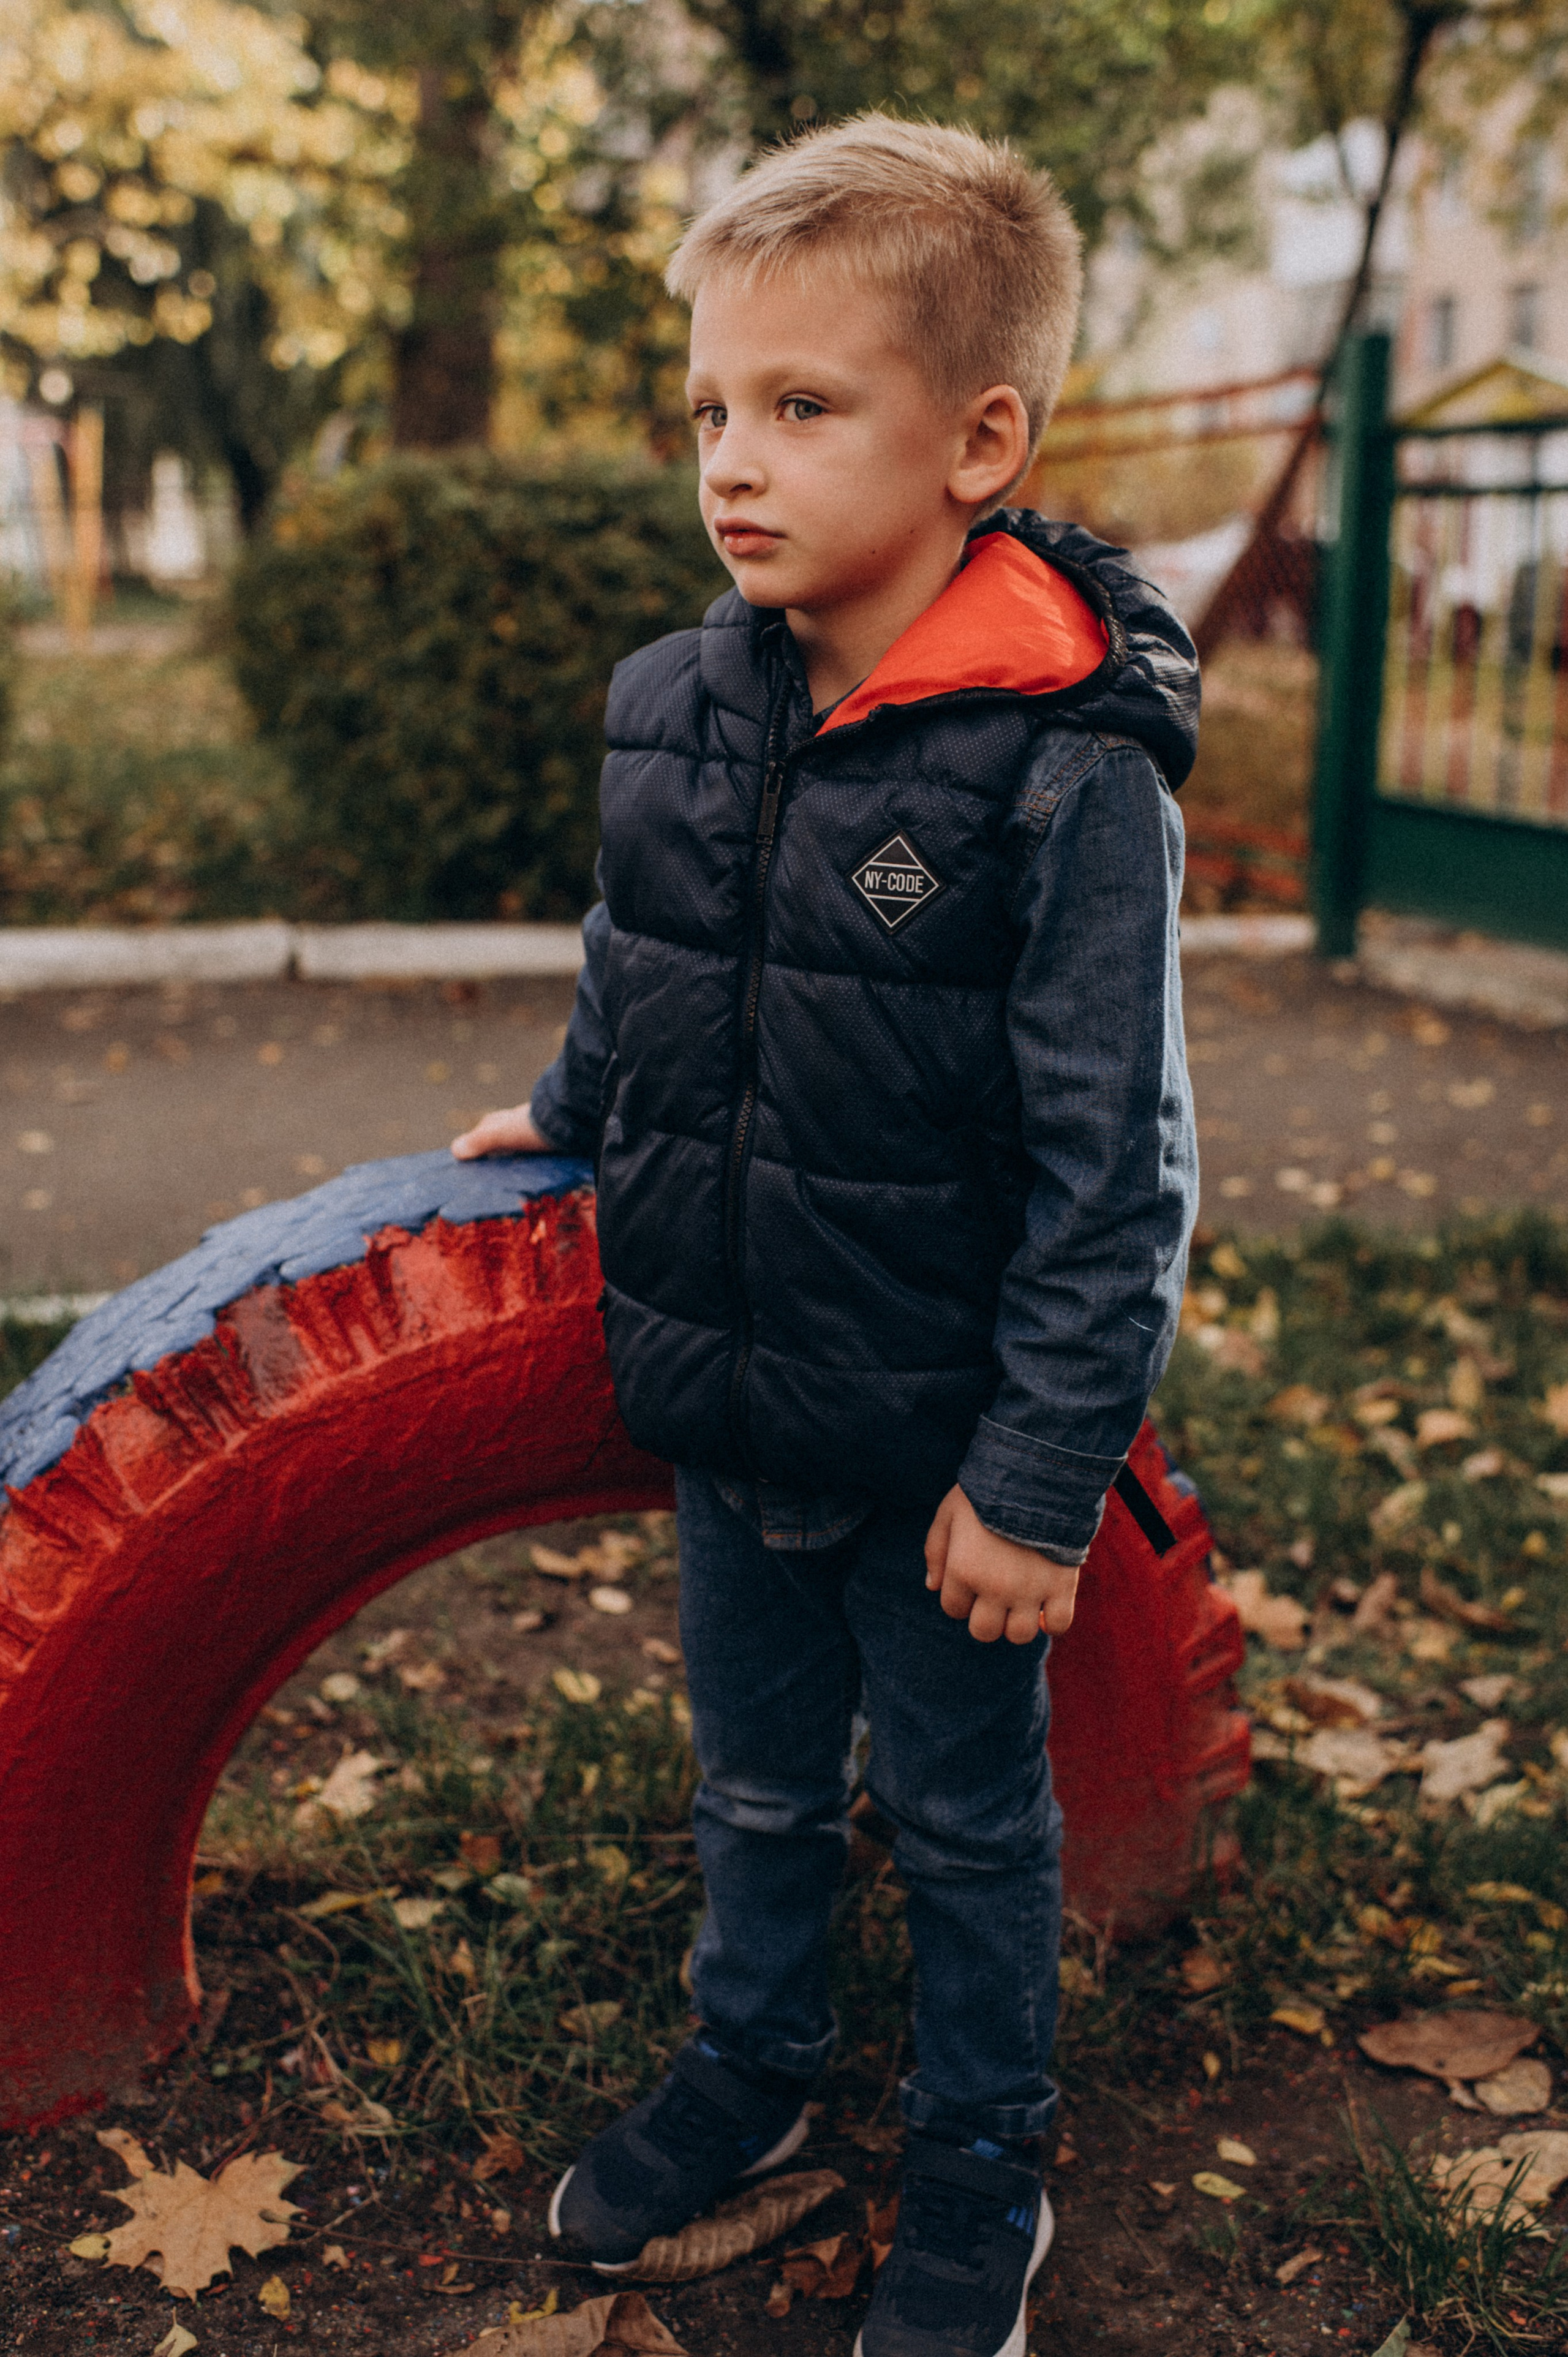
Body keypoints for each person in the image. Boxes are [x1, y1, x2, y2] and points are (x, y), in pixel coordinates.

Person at [452, 111, 1199, 2357]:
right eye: (708, 409)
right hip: (731, 1378)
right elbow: (648, 945)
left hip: (945, 1432)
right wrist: (570, 1106)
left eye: (799, 406)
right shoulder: (681, 704)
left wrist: (1039, 1477)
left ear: (980, 441)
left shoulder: (1066, 773)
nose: (733, 463)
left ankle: (983, 2166)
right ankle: (756, 2064)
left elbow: (1116, 1162)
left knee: (962, 1817)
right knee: (759, 1784)